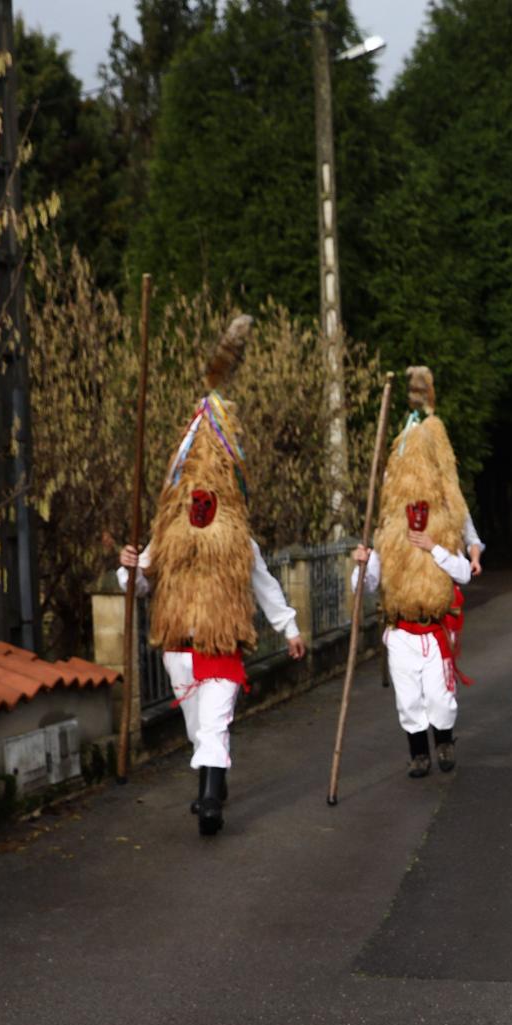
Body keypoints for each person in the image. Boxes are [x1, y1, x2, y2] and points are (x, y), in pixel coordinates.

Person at [118, 315, 305, 837]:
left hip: (222, 647)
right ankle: (211, 780)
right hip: (179, 647)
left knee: (216, 723)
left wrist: (288, 628)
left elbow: (264, 583)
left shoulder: (238, 539)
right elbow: (140, 585)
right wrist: (131, 568)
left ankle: (209, 804)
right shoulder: (169, 535)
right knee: (199, 729)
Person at [352, 366, 474, 779]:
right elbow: (366, 586)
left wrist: (435, 548)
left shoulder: (443, 527)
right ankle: (418, 753)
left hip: (434, 629)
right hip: (401, 631)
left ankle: (444, 741)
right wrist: (362, 563)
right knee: (409, 700)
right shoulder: (388, 534)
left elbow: (463, 574)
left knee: (440, 699)